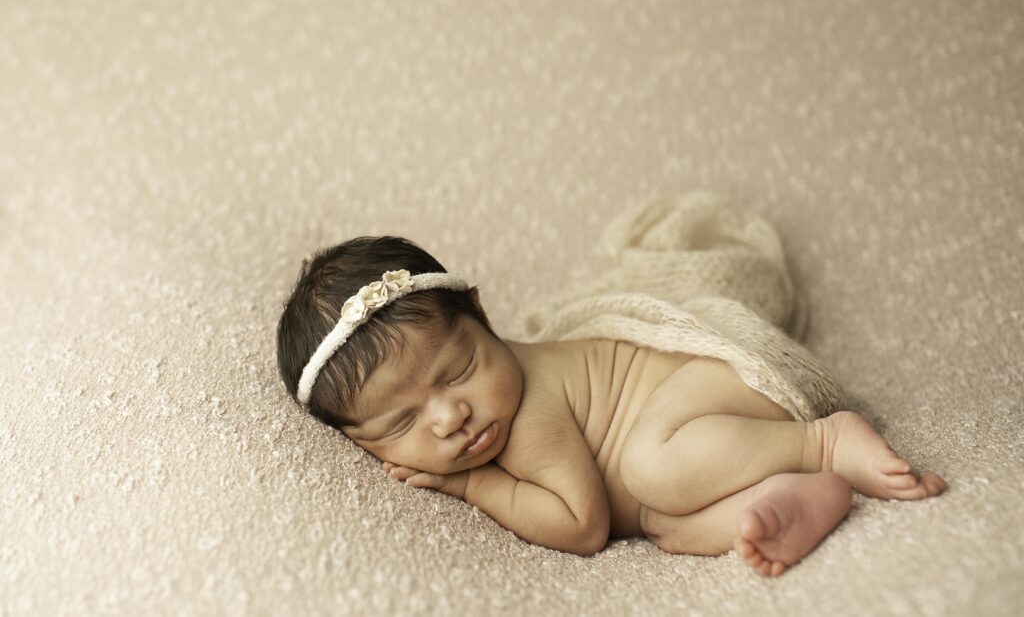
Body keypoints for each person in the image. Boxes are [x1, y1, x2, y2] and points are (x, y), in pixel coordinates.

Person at [276, 235, 947, 576]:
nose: (451, 416)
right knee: (663, 519)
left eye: (460, 370)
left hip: (720, 385)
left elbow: (582, 524)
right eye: (401, 422)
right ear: (360, 441)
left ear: (481, 313)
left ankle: (824, 443)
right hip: (709, 441)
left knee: (651, 468)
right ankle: (795, 493)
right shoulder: (477, 409)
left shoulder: (527, 411)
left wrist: (472, 481)